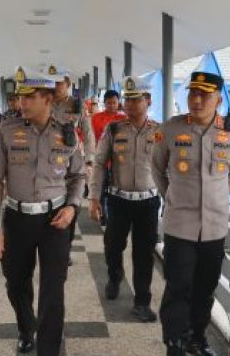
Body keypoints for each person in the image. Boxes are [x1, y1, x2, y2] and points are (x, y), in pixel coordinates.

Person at [0, 66, 85, 356]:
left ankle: (48, 349)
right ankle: (26, 328)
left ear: (48, 99)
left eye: (29, 97)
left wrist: (72, 207)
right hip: (17, 219)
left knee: (53, 288)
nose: (22, 102)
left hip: (55, 219)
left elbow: (78, 176)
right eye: (20, 96)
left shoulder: (67, 132)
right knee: (16, 282)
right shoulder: (6, 130)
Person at [151, 72, 230, 356]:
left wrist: (218, 197)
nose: (196, 100)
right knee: (178, 286)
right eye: (193, 93)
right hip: (180, 225)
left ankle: (197, 338)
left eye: (204, 95)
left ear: (218, 99)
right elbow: (157, 169)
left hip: (215, 227)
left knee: (206, 288)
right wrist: (173, 197)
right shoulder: (170, 129)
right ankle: (175, 342)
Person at [89, 76, 160, 323]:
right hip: (118, 200)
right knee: (113, 245)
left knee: (144, 253)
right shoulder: (114, 129)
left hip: (148, 203)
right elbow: (99, 163)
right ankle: (115, 275)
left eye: (135, 99)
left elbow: (170, 167)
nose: (129, 105)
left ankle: (142, 301)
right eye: (127, 99)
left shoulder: (159, 132)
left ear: (148, 100)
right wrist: (94, 198)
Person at [48, 64, 96, 265]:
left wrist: (89, 160)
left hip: (72, 161)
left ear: (68, 84)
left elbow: (88, 133)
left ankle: (65, 248)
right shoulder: (44, 102)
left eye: (59, 82)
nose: (56, 86)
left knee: (71, 205)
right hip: (49, 162)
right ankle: (51, 247)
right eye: (52, 83)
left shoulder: (77, 105)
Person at [89, 89, 126, 227]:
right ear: (104, 103)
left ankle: (114, 216)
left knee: (115, 189)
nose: (111, 105)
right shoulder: (96, 118)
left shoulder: (123, 118)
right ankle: (102, 214)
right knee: (101, 188)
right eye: (109, 103)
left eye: (114, 103)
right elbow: (92, 137)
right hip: (101, 159)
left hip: (118, 160)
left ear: (119, 103)